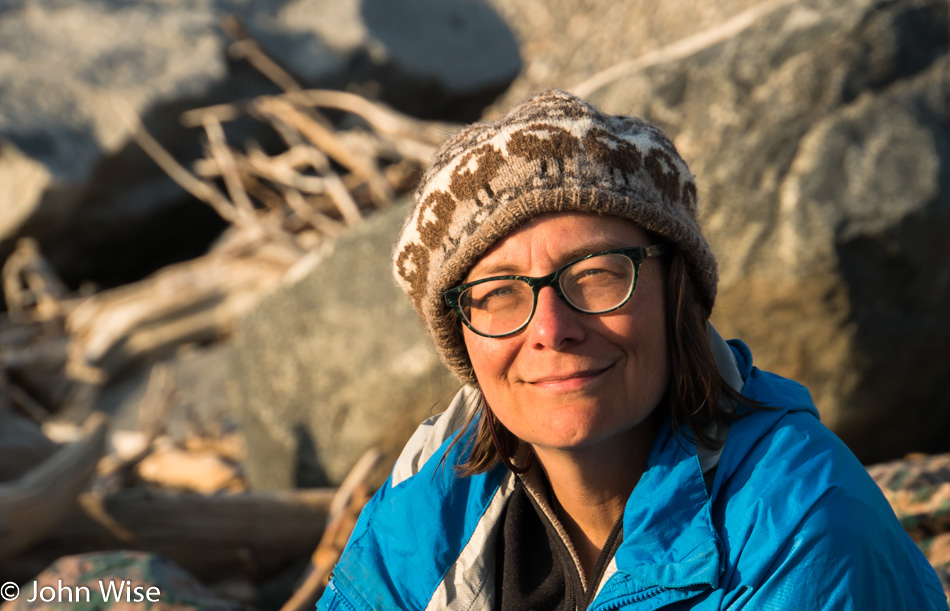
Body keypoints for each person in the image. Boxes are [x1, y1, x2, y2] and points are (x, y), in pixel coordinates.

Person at [317, 90, 947, 610]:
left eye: (596, 273)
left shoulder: (796, 524)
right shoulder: (429, 504)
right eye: (500, 292)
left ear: (677, 296)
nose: (551, 328)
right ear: (462, 335)